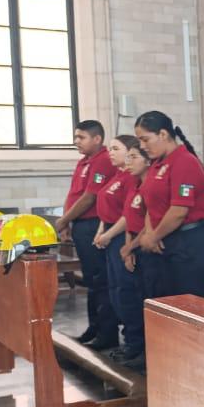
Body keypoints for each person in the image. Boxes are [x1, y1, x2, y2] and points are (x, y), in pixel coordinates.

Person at [133, 111, 204, 303]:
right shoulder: (157, 164)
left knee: (185, 307)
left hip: (187, 244)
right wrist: (150, 233)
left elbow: (179, 211)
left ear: (163, 134)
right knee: (161, 305)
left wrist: (153, 237)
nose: (142, 146)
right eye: (140, 141)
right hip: (163, 241)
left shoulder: (185, 161)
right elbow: (150, 203)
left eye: (145, 139)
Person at [55, 120, 118, 346]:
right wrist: (66, 223)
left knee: (101, 281)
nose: (76, 142)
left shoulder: (102, 161)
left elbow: (90, 197)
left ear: (97, 139)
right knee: (91, 281)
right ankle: (94, 327)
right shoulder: (84, 162)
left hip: (93, 225)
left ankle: (107, 334)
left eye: (81, 137)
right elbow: (74, 194)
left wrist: (63, 220)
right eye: (75, 137)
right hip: (80, 225)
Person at [91, 136, 139, 358]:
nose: (110, 153)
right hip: (110, 234)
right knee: (115, 289)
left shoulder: (131, 177)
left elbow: (128, 214)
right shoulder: (117, 176)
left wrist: (109, 234)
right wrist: (101, 230)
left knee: (126, 290)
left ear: (130, 152)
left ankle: (134, 342)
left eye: (116, 149)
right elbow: (106, 208)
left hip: (121, 236)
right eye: (109, 149)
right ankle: (127, 341)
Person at [116, 144, 152, 372]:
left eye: (133, 157)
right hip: (134, 246)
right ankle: (137, 347)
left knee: (148, 301)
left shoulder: (150, 186)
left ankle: (148, 353)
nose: (128, 162)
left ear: (148, 161)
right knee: (135, 299)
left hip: (146, 247)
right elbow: (130, 218)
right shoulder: (134, 185)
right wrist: (128, 246)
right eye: (126, 157)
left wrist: (131, 247)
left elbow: (150, 222)